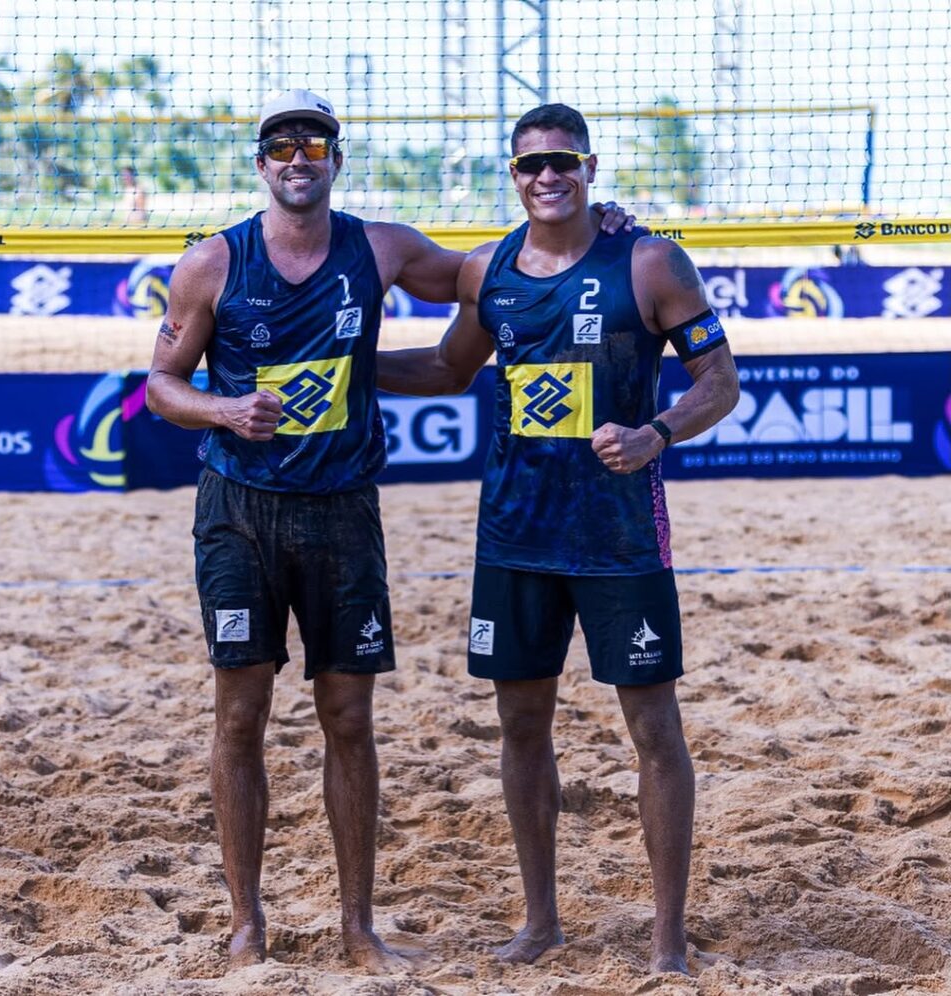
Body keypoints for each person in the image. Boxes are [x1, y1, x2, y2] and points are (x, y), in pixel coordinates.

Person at [145, 88, 635, 973]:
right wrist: (223, 407)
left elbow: (500, 273)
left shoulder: (380, 247)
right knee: (240, 714)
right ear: (261, 164)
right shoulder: (214, 263)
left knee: (348, 717)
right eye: (282, 145)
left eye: (316, 143)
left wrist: (594, 229)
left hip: (343, 512)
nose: (300, 157)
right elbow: (159, 388)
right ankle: (246, 921)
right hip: (238, 512)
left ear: (337, 158)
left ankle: (357, 925)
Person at [377, 103, 740, 975]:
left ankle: (666, 943)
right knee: (520, 724)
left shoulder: (647, 259)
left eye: (563, 161)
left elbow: (719, 380)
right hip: (515, 535)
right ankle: (541, 922)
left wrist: (657, 432)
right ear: (512, 173)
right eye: (531, 165)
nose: (548, 176)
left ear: (589, 166)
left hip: (619, 538)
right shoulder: (489, 271)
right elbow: (447, 368)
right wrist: (352, 372)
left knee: (653, 728)